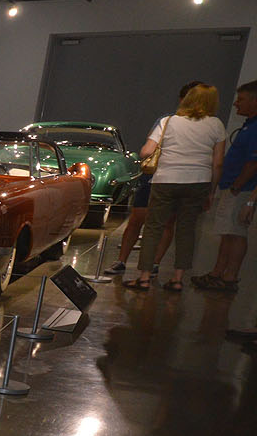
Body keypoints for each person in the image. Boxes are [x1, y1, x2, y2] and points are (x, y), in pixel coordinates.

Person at [124, 83, 225, 291]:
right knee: (187, 230)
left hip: (166, 179)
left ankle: (143, 277)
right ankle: (178, 279)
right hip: (198, 181)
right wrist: (212, 191)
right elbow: (217, 163)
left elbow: (146, 152)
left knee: (153, 228)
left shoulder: (168, 122)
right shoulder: (216, 125)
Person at [105, 80, 205, 276]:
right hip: (168, 177)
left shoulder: (176, 122)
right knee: (142, 220)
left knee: (160, 222)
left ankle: (149, 266)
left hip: (167, 177)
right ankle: (129, 262)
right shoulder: (173, 121)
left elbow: (146, 150)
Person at [192, 80, 257, 292]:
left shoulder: (255, 128)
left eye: (242, 99)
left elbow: (253, 162)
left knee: (236, 233)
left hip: (240, 189)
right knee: (227, 232)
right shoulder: (249, 125)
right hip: (233, 186)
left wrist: (238, 186)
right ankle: (217, 273)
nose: (236, 104)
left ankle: (229, 277)